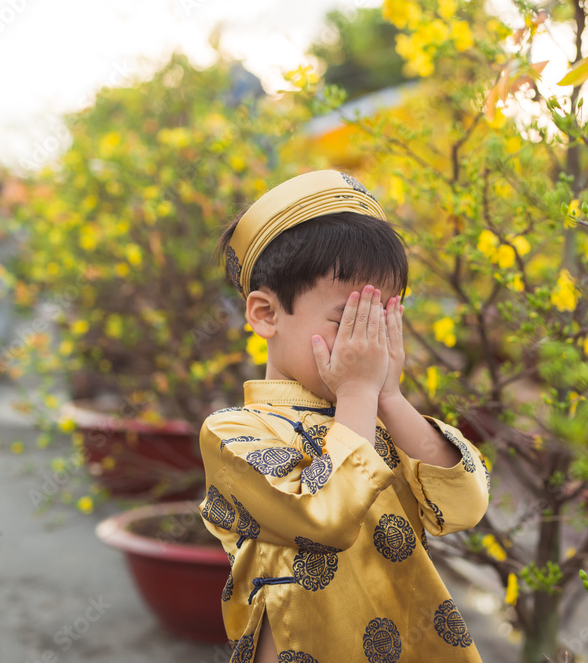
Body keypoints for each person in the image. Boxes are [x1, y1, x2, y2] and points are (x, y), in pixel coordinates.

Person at [199, 170, 490, 663]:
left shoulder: (377, 420)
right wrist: (358, 393)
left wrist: (391, 399)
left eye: (381, 322)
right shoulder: (234, 432)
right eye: (348, 322)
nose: (368, 345)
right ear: (266, 314)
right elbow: (323, 519)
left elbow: (465, 504)